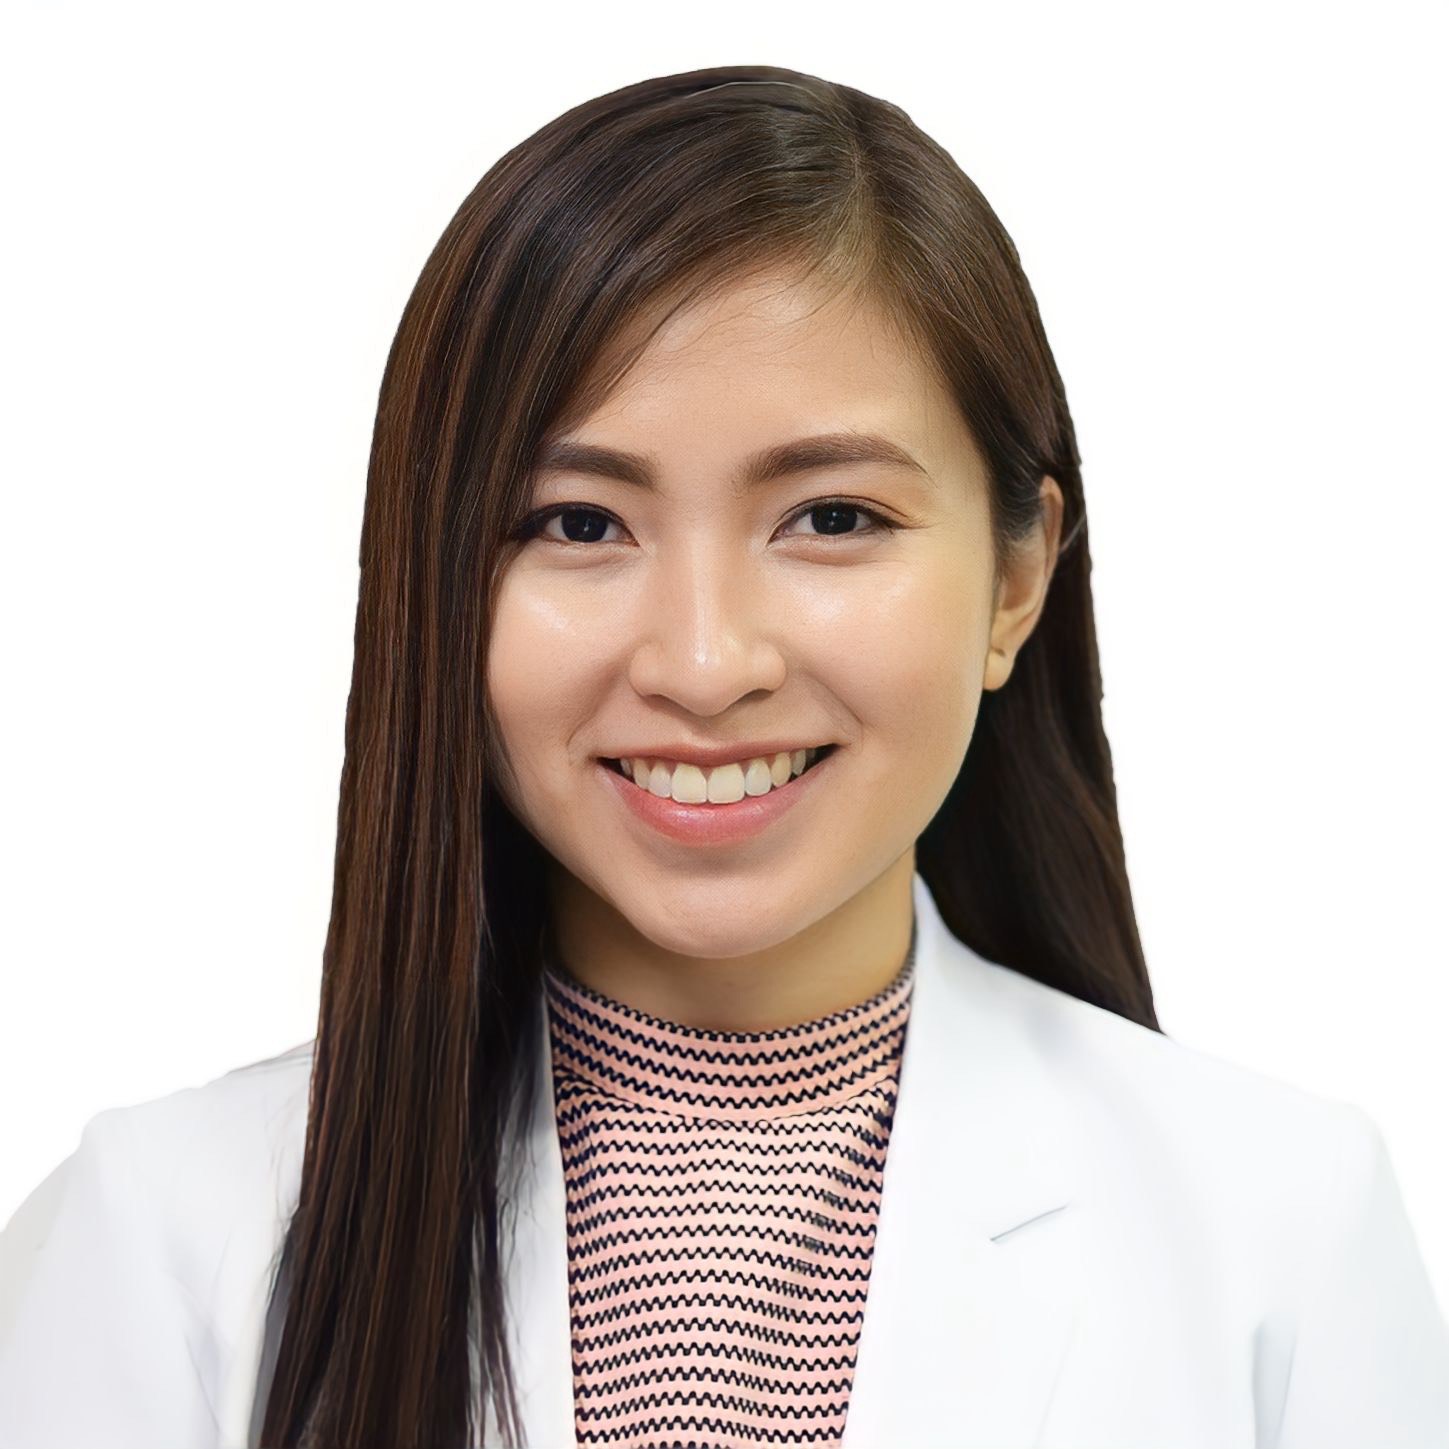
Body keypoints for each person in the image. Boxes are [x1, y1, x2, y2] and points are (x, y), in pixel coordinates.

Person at [1, 63, 1446, 1449]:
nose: (702, 664)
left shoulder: (1281, 1231)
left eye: (832, 518)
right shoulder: (161, 1234)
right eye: (577, 523)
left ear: (1017, 581)